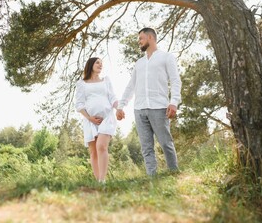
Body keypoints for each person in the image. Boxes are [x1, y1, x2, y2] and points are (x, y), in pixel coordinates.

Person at [116, 27, 182, 176]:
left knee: (166, 143)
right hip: (139, 110)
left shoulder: (166, 57)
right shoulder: (139, 63)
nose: (139, 42)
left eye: (141, 38)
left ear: (150, 38)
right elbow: (131, 86)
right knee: (146, 147)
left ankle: (174, 173)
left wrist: (174, 102)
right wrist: (121, 105)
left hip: (159, 107)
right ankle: (152, 178)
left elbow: (175, 80)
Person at [75, 57, 118, 183]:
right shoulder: (82, 84)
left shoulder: (106, 81)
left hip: (106, 118)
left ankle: (103, 180)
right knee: (93, 152)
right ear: (91, 65)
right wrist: (89, 118)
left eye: (102, 63)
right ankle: (98, 181)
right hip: (90, 121)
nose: (100, 65)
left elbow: (113, 97)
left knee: (101, 146)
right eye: (97, 62)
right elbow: (79, 104)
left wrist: (118, 108)